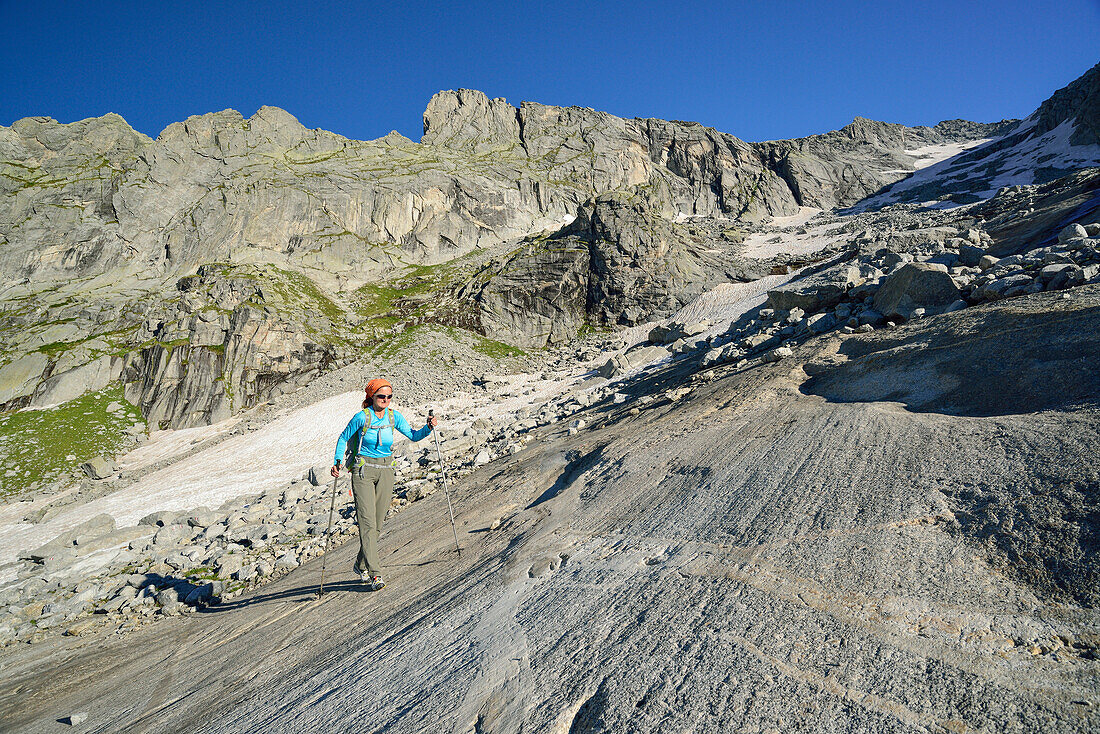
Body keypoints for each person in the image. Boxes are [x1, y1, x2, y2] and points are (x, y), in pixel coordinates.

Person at [331, 378, 437, 590]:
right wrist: (337, 461)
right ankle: (375, 574)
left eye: (389, 396)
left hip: (387, 470)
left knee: (378, 524)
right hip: (363, 471)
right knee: (367, 523)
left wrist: (428, 428)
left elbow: (414, 436)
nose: (385, 400)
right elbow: (343, 438)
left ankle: (360, 564)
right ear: (371, 397)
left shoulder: (393, 416)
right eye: (381, 396)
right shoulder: (361, 417)